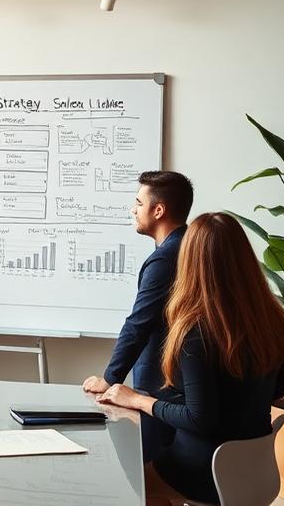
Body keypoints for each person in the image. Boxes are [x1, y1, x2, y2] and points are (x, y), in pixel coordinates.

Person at [96, 212, 284, 505]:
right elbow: (277, 389)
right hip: (254, 469)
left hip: (206, 471)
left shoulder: (196, 331)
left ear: (190, 262)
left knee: (131, 486)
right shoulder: (270, 319)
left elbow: (201, 418)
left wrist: (137, 400)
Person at [82, 170, 193, 461]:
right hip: (180, 389)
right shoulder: (191, 247)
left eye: (138, 202)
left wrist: (110, 378)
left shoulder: (165, 258)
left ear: (158, 210)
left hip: (164, 389)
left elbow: (138, 324)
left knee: (143, 474)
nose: (133, 209)